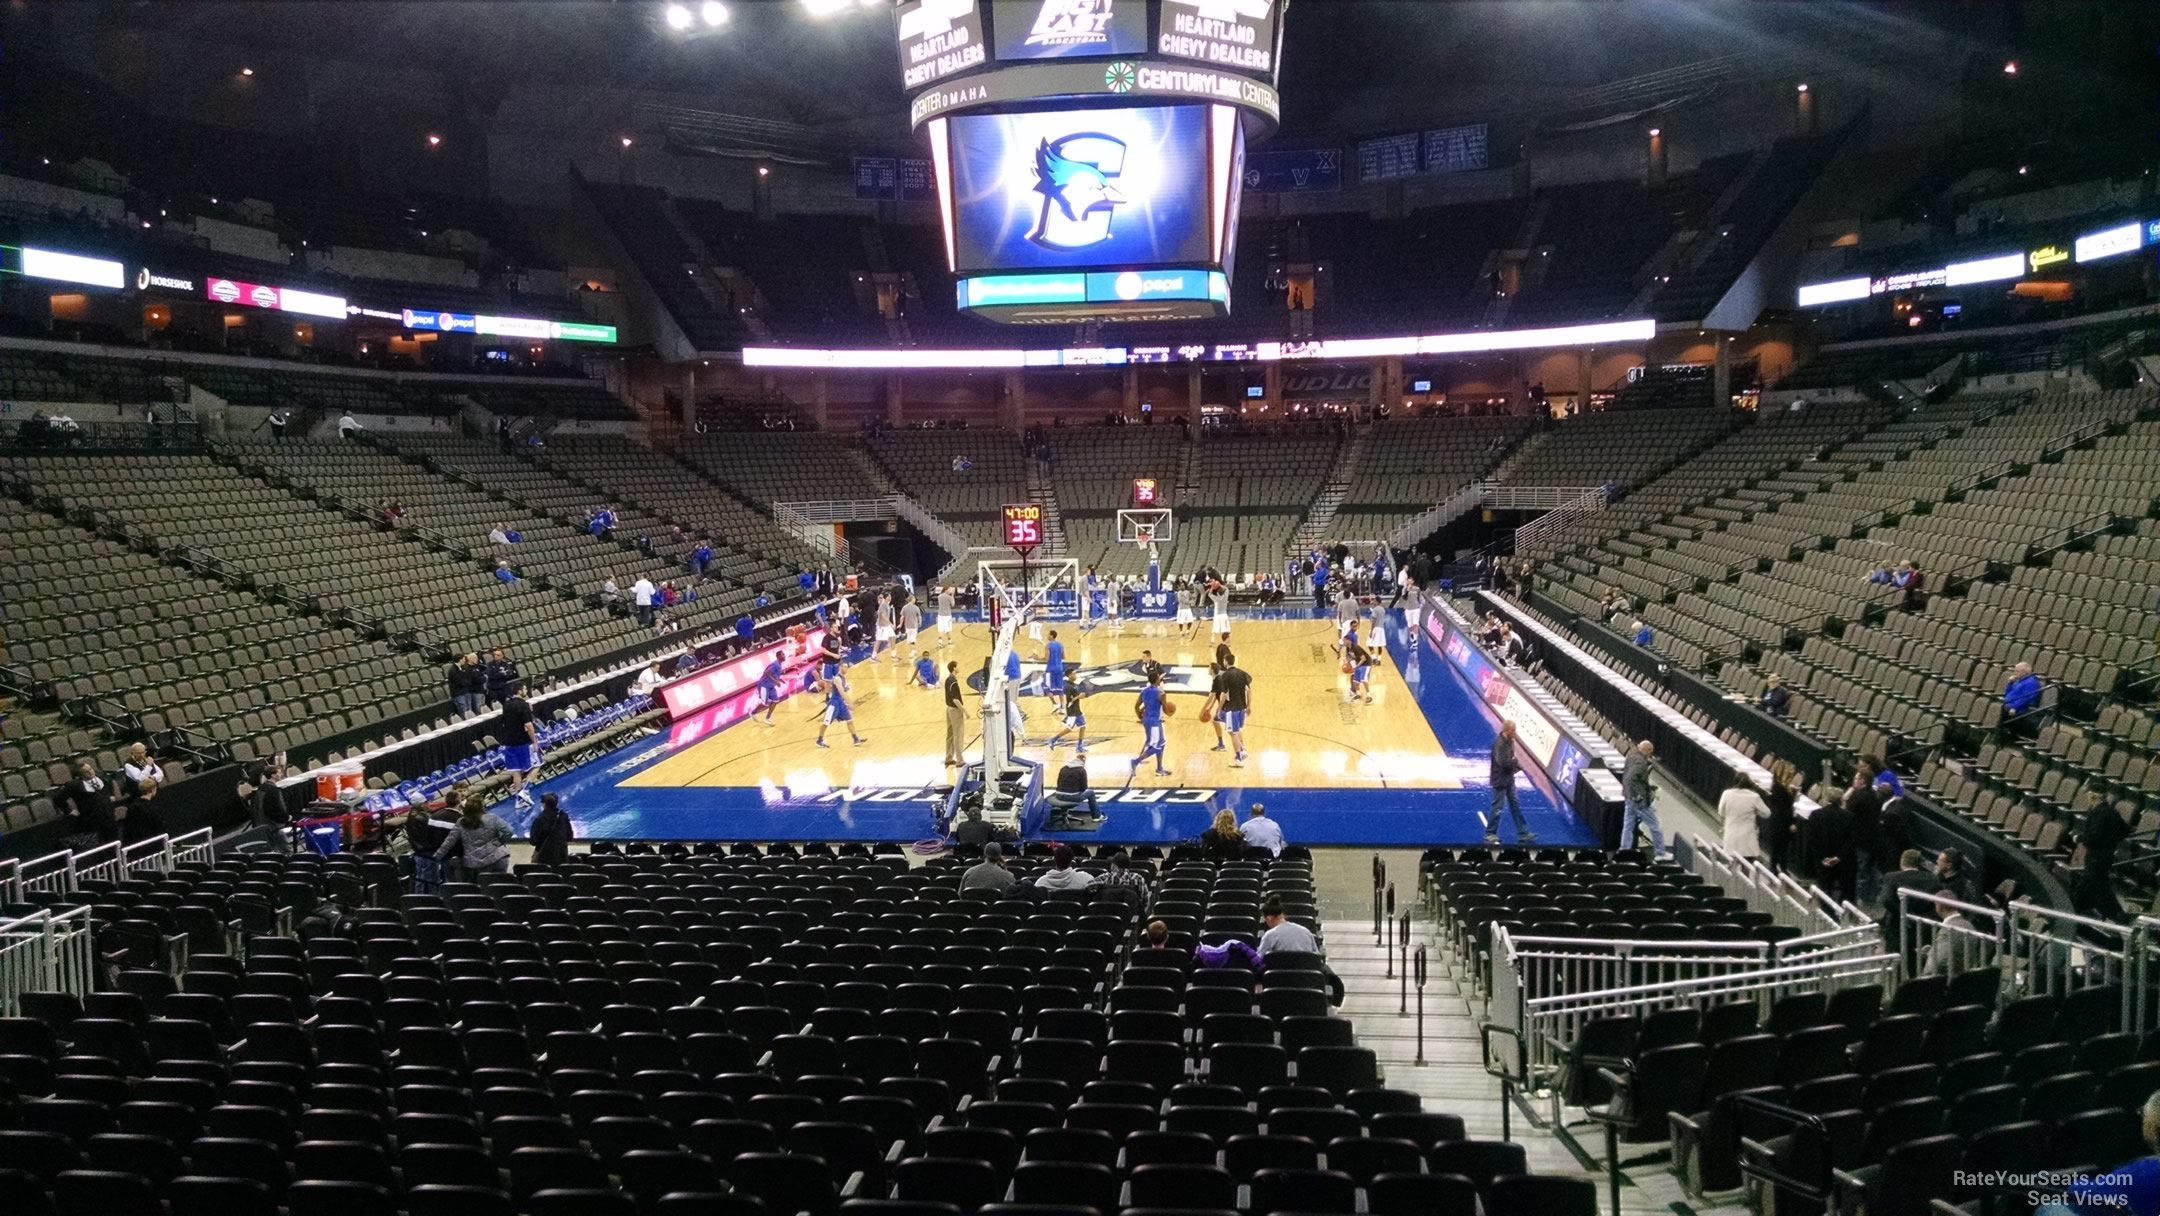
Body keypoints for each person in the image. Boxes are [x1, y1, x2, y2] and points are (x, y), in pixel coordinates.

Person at [1258, 896, 1345, 1006]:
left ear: (1269, 918)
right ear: (1283, 915)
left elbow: (1258, 962)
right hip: (1307, 986)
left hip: (1279, 989)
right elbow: (1316, 959)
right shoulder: (1306, 932)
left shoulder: (1269, 936)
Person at [2073, 792, 2131, 921]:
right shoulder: (2112, 812)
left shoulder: (2097, 813)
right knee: (2088, 884)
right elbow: (2125, 830)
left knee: (2100, 887)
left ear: (2093, 797)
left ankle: (2118, 915)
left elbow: (2094, 837)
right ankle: (2077, 907)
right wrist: (2112, 840)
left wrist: (2079, 838)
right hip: (2107, 855)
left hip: (2095, 856)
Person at [1878, 848, 1942, 962]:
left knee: (1897, 962)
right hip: (1924, 927)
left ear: (1902, 862)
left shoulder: (1891, 877)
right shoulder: (1933, 878)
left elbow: (1887, 900)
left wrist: (1904, 913)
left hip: (1898, 928)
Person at [1481, 720, 1536, 845]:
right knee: (1497, 807)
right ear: (1508, 731)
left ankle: (1523, 832)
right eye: (1513, 730)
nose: (1515, 733)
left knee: (1515, 805)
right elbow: (1503, 763)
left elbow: (1509, 759)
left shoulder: (1511, 741)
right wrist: (1515, 762)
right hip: (1500, 780)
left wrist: (1514, 765)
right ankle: (1490, 833)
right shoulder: (1498, 744)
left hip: (1509, 779)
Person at [436, 796, 513, 877]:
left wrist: (437, 855)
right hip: (497, 858)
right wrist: (498, 842)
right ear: (482, 807)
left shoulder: (461, 822)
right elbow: (508, 832)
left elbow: (449, 842)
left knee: (481, 887)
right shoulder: (492, 818)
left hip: (474, 863)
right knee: (498, 887)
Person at [1809, 789, 1857, 903]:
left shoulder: (1816, 815)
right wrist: (1838, 857)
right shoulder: (1849, 817)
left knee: (1825, 887)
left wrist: (1822, 857)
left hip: (1823, 859)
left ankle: (1825, 912)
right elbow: (1851, 841)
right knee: (1845, 888)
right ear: (1841, 799)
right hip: (1843, 861)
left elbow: (1813, 839)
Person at [499, 680, 540, 809]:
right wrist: (534, 741)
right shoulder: (524, 705)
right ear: (519, 691)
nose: (526, 691)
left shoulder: (506, 705)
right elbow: (529, 725)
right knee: (537, 765)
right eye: (524, 689)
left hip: (509, 743)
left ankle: (519, 800)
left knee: (516, 772)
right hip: (523, 742)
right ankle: (525, 790)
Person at [57, 761, 118, 847]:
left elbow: (109, 781)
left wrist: (111, 794)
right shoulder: (74, 785)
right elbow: (58, 799)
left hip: (109, 816)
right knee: (99, 845)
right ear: (80, 775)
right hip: (92, 821)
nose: (90, 772)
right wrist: (69, 810)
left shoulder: (101, 775)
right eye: (86, 772)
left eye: (90, 769)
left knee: (114, 842)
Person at [1620, 739, 1663, 857]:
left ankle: (1624, 851)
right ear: (1647, 750)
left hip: (1628, 796)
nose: (1650, 755)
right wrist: (1638, 795)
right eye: (1650, 752)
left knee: (1628, 826)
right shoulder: (1640, 762)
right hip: (1638, 800)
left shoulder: (1631, 756)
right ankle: (1660, 853)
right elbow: (1631, 778)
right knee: (1655, 826)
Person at [1212, 654, 1252, 767]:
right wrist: (1249, 706)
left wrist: (1219, 709)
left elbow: (1224, 694)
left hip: (1232, 708)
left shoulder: (1225, 676)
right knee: (1236, 730)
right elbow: (1249, 690)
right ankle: (1243, 750)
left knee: (1233, 733)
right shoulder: (1242, 673)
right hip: (1242, 708)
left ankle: (1239, 759)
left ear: (1225, 662)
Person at [1130, 669, 1171, 779]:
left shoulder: (1144, 691)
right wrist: (1171, 712)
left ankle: (1159, 769)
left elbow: (1136, 706)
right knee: (1155, 747)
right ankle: (1135, 761)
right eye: (1159, 677)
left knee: (1161, 744)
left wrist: (1140, 716)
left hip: (1147, 720)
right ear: (1157, 680)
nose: (1160, 679)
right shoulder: (1161, 693)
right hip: (1154, 722)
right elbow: (1166, 710)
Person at [1718, 777, 1770, 859]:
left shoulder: (1726, 793)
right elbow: (1767, 813)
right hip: (1747, 839)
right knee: (1747, 865)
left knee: (1731, 864)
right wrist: (1756, 812)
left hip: (1731, 836)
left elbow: (1721, 811)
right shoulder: (1754, 797)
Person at [1763, 759, 1798, 873]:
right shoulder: (1780, 789)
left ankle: (1780, 867)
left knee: (1781, 847)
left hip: (1779, 821)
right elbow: (1784, 809)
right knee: (1779, 846)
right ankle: (1775, 867)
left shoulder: (1778, 787)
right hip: (1781, 822)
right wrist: (1791, 822)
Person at [816, 677, 866, 749]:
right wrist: (850, 703)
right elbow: (842, 692)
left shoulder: (843, 678)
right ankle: (819, 740)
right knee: (826, 723)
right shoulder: (836, 678)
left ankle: (856, 739)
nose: (846, 668)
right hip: (834, 703)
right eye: (844, 666)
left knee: (850, 720)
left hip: (841, 703)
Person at [529, 792, 574, 867]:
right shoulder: (563, 816)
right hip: (562, 856)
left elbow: (533, 841)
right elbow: (569, 837)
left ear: (544, 804)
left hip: (543, 859)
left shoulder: (539, 819)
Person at [1046, 680, 1087, 753]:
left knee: (1083, 726)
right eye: (1073, 674)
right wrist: (1079, 697)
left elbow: (1080, 696)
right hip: (1072, 711)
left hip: (1077, 710)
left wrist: (1081, 696)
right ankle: (1053, 740)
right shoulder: (1068, 687)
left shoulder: (1073, 685)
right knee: (1069, 729)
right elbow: (1070, 701)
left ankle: (1079, 746)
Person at [2003, 661, 2042, 736]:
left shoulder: (2031, 683)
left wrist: (2015, 707)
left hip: (2022, 709)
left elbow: (2026, 698)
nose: (2014, 673)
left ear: (2024, 672)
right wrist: (2010, 683)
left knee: (2001, 709)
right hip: (2009, 704)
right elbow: (2008, 694)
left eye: (2017, 671)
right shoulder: (2018, 681)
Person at [943, 661, 967, 766]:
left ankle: (948, 757)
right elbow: (955, 699)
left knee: (950, 734)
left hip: (948, 709)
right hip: (955, 710)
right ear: (954, 668)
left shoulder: (948, 679)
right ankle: (960, 760)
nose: (959, 668)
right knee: (958, 735)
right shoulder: (953, 682)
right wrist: (965, 711)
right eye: (957, 666)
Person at [1345, 630, 1373, 705]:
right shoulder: (1348, 648)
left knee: (1363, 679)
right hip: (1358, 663)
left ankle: (1369, 695)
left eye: (1345, 640)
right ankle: (1358, 694)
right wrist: (1349, 664)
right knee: (1355, 680)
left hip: (1366, 663)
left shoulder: (1356, 648)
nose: (1344, 642)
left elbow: (1363, 658)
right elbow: (1349, 657)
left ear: (1349, 641)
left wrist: (1356, 666)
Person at [1041, 629, 1067, 696]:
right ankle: (1062, 704)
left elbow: (1046, 658)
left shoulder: (1048, 645)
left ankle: (1054, 703)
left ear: (1052, 636)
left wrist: (1036, 658)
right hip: (1060, 668)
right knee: (1060, 687)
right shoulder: (1061, 645)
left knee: (1047, 687)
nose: (1047, 636)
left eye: (1048, 635)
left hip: (1051, 668)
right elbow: (1063, 657)